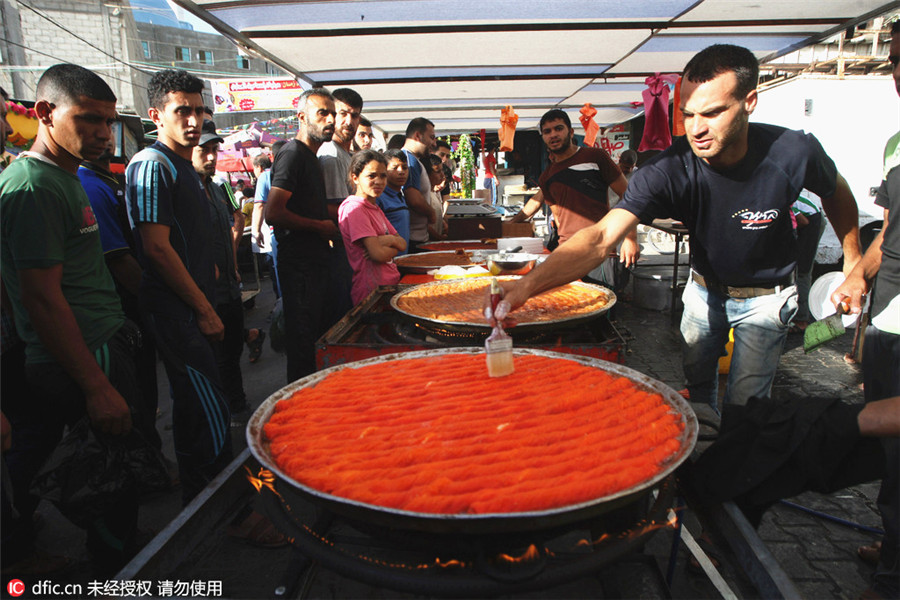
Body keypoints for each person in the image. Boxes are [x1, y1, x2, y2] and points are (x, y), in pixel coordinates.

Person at [490, 44, 862, 414]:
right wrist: (524, 288)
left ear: (749, 101)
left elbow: (838, 192)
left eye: (713, 113)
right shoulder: (667, 169)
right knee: (697, 387)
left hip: (767, 299)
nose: (697, 129)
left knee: (747, 406)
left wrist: (853, 262)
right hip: (702, 291)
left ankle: (739, 455)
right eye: (688, 114)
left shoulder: (793, 151)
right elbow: (601, 236)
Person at [0, 63, 141, 576]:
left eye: (108, 121)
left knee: (56, 456)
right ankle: (120, 571)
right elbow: (40, 298)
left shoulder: (65, 176)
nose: (103, 133)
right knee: (105, 477)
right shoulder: (34, 187)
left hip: (93, 342)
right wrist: (96, 385)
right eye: (87, 119)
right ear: (43, 113)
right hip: (84, 352)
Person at [125, 69, 231, 503]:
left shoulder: (186, 167)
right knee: (209, 410)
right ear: (156, 115)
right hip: (178, 312)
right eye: (181, 111)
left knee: (194, 408)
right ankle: (232, 511)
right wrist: (203, 308)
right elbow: (155, 248)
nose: (194, 121)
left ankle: (200, 501)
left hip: (194, 303)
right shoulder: (152, 165)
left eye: (199, 111)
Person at [830, 22, 900, 599]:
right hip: (888, 321)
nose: (898, 73)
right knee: (891, 441)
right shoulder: (898, 143)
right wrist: (857, 274)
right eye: (895, 61)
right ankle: (893, 540)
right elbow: (890, 231)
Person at [78, 141, 162, 451]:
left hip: (134, 307)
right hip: (122, 312)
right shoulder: (88, 185)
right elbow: (119, 260)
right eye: (93, 122)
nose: (103, 134)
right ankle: (147, 466)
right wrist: (154, 301)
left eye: (108, 124)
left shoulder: (113, 180)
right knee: (134, 394)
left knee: (145, 388)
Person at [265, 88, 339, 382]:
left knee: (315, 338)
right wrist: (319, 226)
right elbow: (273, 212)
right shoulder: (293, 154)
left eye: (332, 113)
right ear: (302, 117)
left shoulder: (312, 157)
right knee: (302, 345)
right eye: (323, 113)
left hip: (315, 263)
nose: (330, 119)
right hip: (300, 265)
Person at [191, 120, 264, 417]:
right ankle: (226, 410)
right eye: (203, 151)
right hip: (206, 291)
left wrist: (233, 263)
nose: (210, 157)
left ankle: (236, 404)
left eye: (213, 150)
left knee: (232, 348)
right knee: (217, 356)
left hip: (229, 286)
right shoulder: (186, 190)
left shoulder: (219, 188)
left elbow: (235, 221)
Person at [318, 88, 364, 322]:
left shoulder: (347, 155)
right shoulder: (331, 155)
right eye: (343, 113)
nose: (349, 121)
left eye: (354, 115)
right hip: (340, 253)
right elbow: (333, 209)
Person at [338, 150, 405, 305]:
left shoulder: (374, 208)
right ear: (355, 178)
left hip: (387, 287)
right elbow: (378, 255)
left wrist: (384, 239)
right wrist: (390, 244)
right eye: (371, 176)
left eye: (383, 176)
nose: (379, 181)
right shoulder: (354, 209)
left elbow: (402, 244)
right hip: (371, 292)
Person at [789, 191, 825, 332]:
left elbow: (803, 221)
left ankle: (801, 320)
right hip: (805, 220)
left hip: (811, 221)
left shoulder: (778, 196)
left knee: (802, 270)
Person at [401, 118, 438, 252]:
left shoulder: (414, 160)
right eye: (431, 137)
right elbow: (413, 198)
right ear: (418, 135)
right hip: (413, 240)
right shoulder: (409, 161)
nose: (434, 143)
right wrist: (431, 212)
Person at [251, 152, 281, 298]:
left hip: (276, 231)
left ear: (260, 167)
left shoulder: (264, 176)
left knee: (278, 271)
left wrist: (256, 231)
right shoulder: (285, 171)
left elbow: (259, 206)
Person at [377, 148, 411, 254]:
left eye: (404, 168)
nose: (401, 172)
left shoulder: (400, 196)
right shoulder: (379, 198)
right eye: (395, 168)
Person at [426, 153, 449, 240]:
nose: (442, 175)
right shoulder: (425, 195)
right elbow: (425, 225)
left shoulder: (435, 193)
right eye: (437, 172)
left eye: (442, 171)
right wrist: (439, 238)